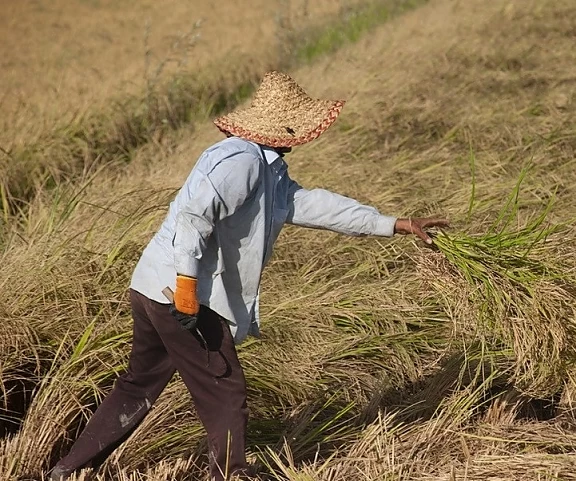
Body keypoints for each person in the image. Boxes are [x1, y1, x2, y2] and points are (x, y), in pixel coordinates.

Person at [47, 71, 448, 481]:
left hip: (151, 287)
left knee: (138, 385)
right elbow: (192, 216)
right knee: (225, 389)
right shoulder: (240, 163)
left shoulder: (267, 168)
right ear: (285, 128)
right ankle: (231, 473)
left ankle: (65, 470)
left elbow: (313, 206)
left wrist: (394, 223)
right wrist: (186, 288)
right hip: (179, 293)